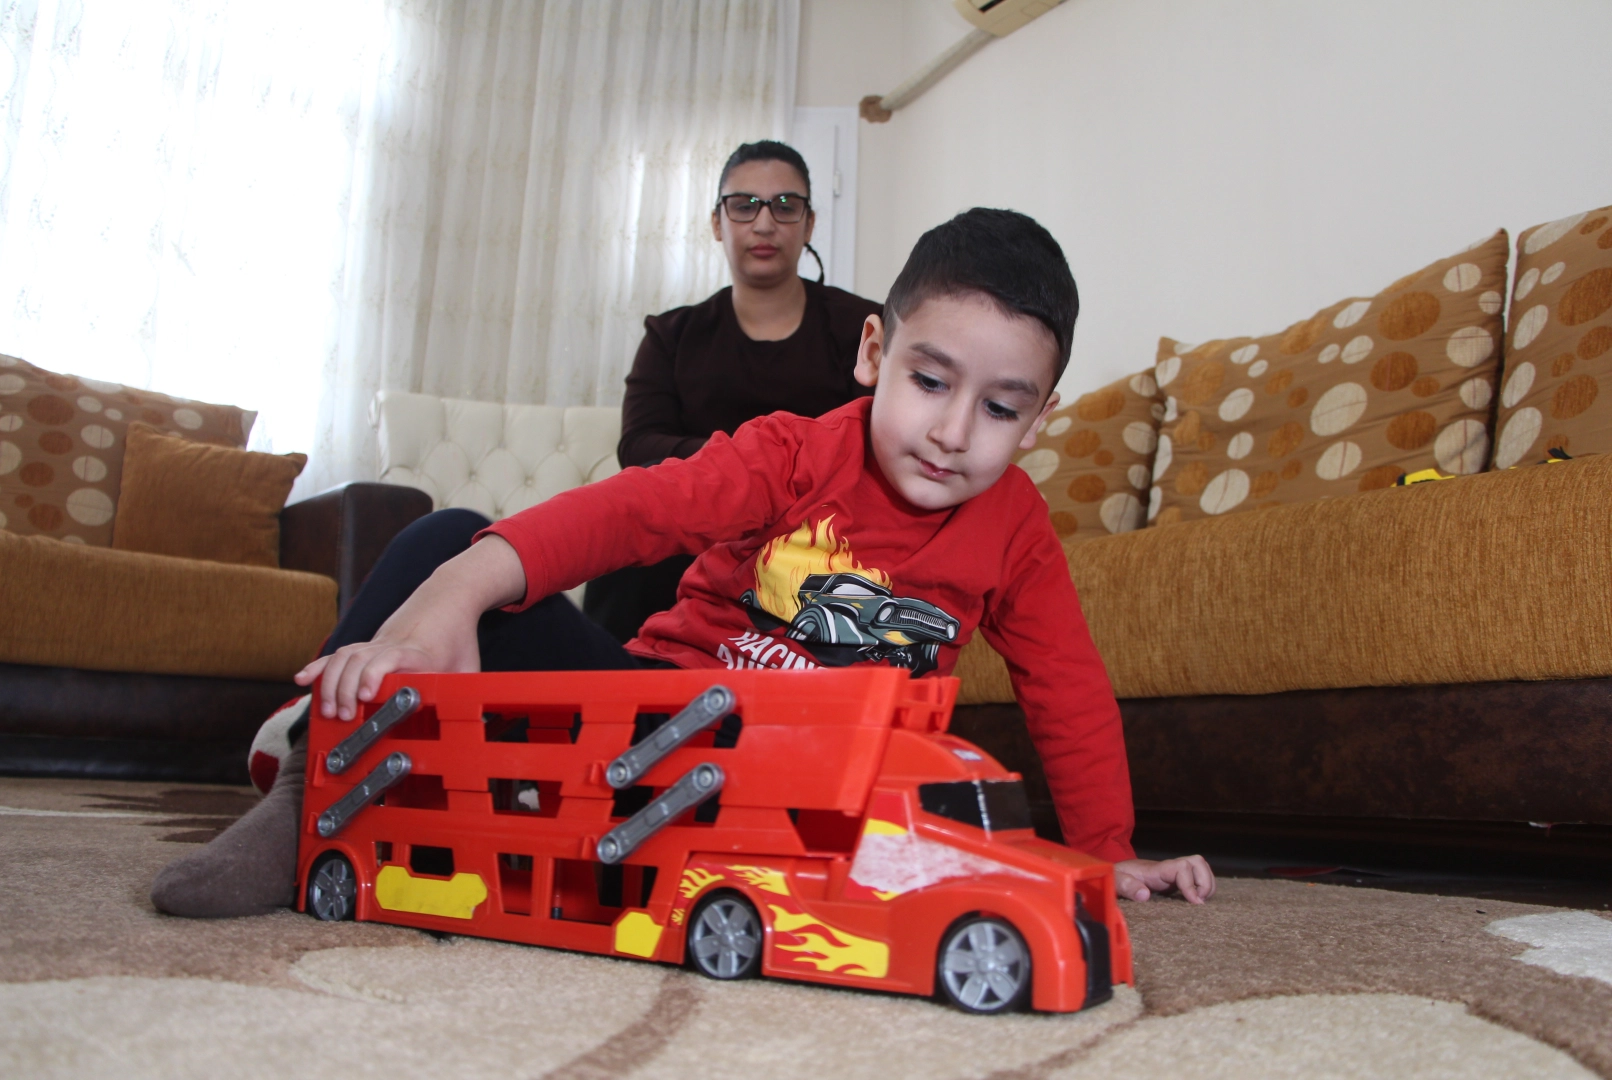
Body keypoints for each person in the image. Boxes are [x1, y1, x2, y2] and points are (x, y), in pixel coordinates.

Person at [151, 208, 1214, 918]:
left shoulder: (1018, 531)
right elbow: (631, 512)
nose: (952, 432)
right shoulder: (791, 453)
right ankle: (315, 772)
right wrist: (459, 595)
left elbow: (1068, 688)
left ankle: (490, 807)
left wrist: (1109, 849)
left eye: (999, 408)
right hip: (648, 720)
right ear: (874, 355)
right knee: (446, 538)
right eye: (930, 382)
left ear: (1040, 418)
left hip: (815, 795)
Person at [583, 140, 881, 643]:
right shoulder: (671, 335)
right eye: (744, 206)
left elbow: (879, 440)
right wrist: (747, 469)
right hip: (695, 525)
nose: (764, 224)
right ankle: (613, 682)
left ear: (809, 224)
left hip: (820, 533)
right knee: (628, 529)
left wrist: (785, 483)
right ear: (718, 223)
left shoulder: (863, 328)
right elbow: (638, 445)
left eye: (785, 206)